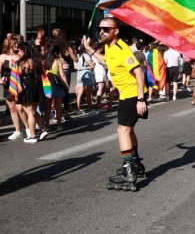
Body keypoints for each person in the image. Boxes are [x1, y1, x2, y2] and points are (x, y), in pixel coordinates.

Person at [83, 17, 148, 191]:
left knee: (123, 130)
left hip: (132, 93)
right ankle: (135, 165)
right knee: (129, 130)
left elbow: (139, 72)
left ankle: (129, 171)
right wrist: (89, 49)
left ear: (116, 31)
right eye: (100, 29)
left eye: (106, 29)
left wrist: (141, 99)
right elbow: (105, 61)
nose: (102, 32)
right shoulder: (109, 47)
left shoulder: (122, 49)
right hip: (126, 94)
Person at [14, 42, 48, 143]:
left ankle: (33, 136)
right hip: (36, 85)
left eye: (19, 50)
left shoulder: (22, 62)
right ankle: (42, 130)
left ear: (24, 50)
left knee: (30, 112)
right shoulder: (36, 61)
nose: (18, 51)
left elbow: (19, 74)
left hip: (26, 85)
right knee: (33, 110)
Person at [1, 37, 27, 140]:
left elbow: (24, 70)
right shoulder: (3, 56)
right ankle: (18, 130)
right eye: (14, 43)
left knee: (21, 108)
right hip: (8, 84)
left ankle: (27, 128)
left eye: (17, 43)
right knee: (12, 108)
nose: (17, 45)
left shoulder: (20, 55)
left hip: (19, 83)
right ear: (9, 45)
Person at [52, 29, 77, 121]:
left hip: (54, 71)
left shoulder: (52, 46)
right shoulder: (67, 47)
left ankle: (56, 114)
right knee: (65, 92)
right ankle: (65, 114)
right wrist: (73, 51)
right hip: (64, 71)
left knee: (55, 92)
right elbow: (75, 59)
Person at [43, 44, 68, 132]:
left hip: (46, 84)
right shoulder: (58, 61)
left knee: (47, 107)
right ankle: (59, 124)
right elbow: (62, 75)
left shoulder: (45, 61)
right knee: (58, 106)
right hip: (56, 84)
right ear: (56, 53)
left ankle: (47, 125)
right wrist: (66, 85)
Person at [74, 43, 97, 116]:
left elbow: (74, 67)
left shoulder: (76, 55)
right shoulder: (86, 55)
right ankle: (90, 109)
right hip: (86, 72)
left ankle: (78, 109)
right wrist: (93, 64)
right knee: (88, 93)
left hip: (79, 73)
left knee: (79, 93)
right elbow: (92, 66)